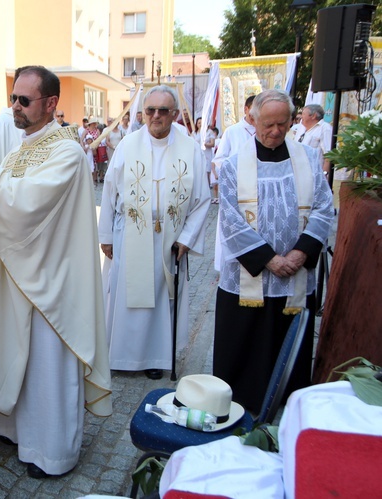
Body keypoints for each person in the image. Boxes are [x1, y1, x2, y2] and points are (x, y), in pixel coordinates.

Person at [0, 65, 112, 479]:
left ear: (51, 103)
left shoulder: (67, 151)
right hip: (16, 274)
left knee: (46, 364)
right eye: (13, 99)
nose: (14, 107)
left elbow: (26, 204)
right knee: (17, 353)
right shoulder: (22, 150)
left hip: (51, 280)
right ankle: (17, 431)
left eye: (24, 100)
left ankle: (52, 451)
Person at [213, 89, 333, 414]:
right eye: (268, 124)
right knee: (246, 349)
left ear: (293, 121)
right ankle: (241, 407)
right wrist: (268, 258)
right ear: (253, 120)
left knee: (286, 346)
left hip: (294, 275)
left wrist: (300, 254)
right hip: (250, 278)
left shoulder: (307, 159)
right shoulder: (234, 165)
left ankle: (287, 406)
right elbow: (230, 219)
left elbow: (324, 208)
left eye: (283, 124)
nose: (276, 131)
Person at [99, 85, 210, 380]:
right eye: (151, 110)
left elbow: (202, 199)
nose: (156, 116)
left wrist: (186, 238)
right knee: (127, 296)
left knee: (162, 299)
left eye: (163, 110)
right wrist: (106, 235)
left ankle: (154, 357)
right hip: (130, 233)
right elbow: (109, 191)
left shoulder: (189, 148)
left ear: (174, 114)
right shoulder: (128, 145)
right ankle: (120, 355)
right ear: (143, 113)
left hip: (169, 238)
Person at [211, 95, 257, 272]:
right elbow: (219, 159)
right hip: (236, 186)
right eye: (253, 110)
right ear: (246, 109)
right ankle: (225, 265)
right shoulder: (233, 131)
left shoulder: (263, 129)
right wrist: (234, 171)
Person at [297, 104, 332, 176]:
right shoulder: (302, 129)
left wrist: (324, 175)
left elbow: (329, 155)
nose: (301, 117)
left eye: (303, 114)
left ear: (313, 116)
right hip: (300, 173)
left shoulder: (325, 128)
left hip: (315, 174)